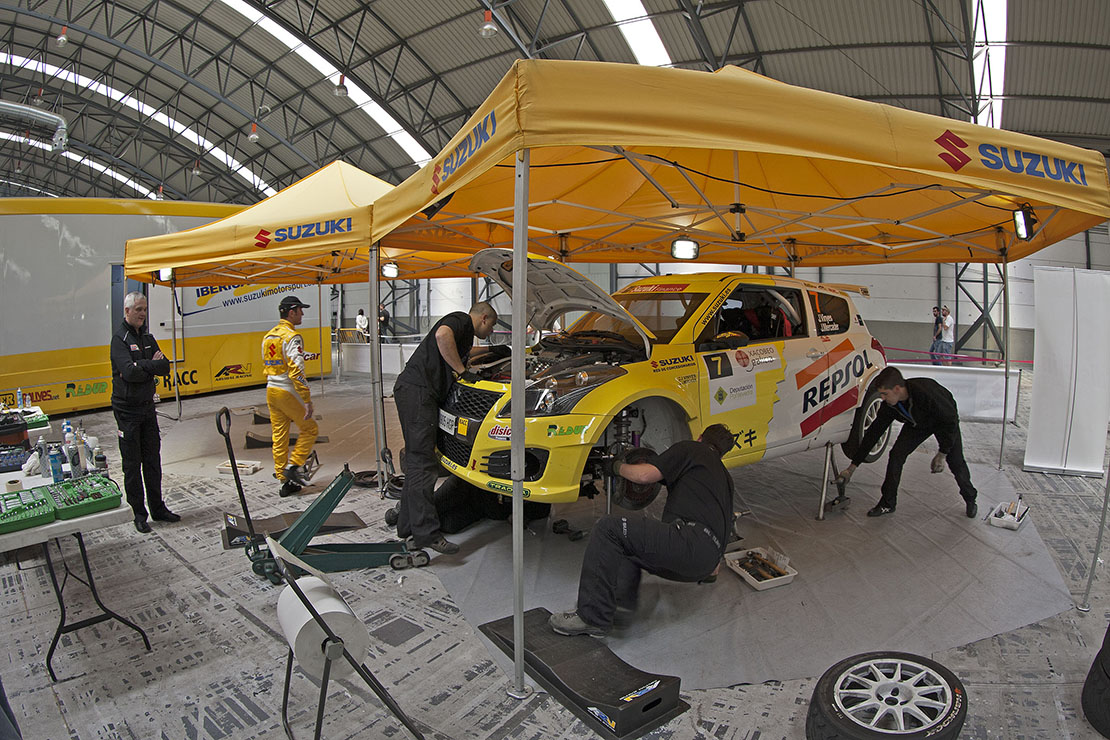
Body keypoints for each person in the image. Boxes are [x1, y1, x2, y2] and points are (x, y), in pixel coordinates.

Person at [549, 424, 736, 637]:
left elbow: (645, 476)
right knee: (627, 544)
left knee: (609, 528)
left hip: (688, 542)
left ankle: (592, 617)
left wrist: (616, 466)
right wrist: (710, 569)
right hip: (706, 565)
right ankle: (619, 609)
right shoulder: (724, 479)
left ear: (700, 438)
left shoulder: (693, 449)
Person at [392, 302, 497, 554]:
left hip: (414, 392)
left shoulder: (465, 334)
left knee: (419, 461)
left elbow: (466, 351)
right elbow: (442, 335)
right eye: (492, 325)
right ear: (484, 318)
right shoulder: (460, 319)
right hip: (419, 394)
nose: (491, 331)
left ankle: (406, 525)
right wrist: (461, 372)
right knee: (423, 464)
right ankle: (426, 534)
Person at [836, 365, 978, 519]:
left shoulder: (926, 393)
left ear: (897, 389)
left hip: (943, 421)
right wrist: (852, 467)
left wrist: (942, 453)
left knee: (956, 462)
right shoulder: (890, 405)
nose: (882, 398)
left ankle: (970, 499)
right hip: (917, 425)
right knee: (896, 454)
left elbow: (950, 421)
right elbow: (873, 433)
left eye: (885, 394)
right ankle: (887, 503)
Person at [110, 291, 179, 533]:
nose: (142, 313)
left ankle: (158, 509)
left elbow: (165, 367)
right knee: (132, 464)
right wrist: (150, 366)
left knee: (152, 461)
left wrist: (143, 366)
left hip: (148, 409)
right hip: (127, 412)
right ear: (127, 311)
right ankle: (139, 514)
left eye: (144, 309)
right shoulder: (119, 339)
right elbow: (128, 372)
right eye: (137, 309)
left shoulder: (148, 338)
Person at [262, 295, 318, 497]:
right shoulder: (293, 336)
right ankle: (294, 467)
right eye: (300, 310)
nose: (302, 313)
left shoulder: (269, 336)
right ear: (291, 312)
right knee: (310, 429)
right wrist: (307, 400)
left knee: (279, 436)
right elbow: (296, 371)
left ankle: (284, 480)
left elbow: (277, 361)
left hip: (271, 391)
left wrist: (306, 355)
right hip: (287, 391)